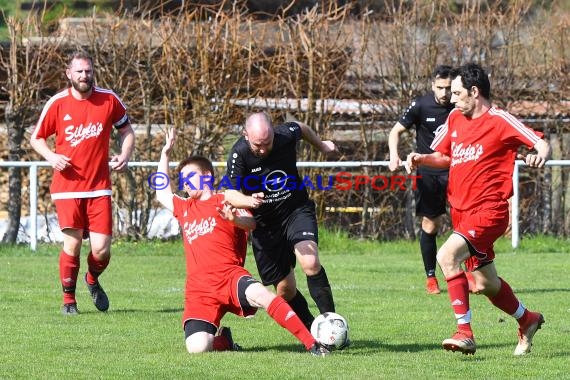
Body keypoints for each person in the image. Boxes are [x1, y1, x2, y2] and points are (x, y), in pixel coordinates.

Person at [406, 63, 549, 356]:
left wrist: (539, 156)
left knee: (446, 256)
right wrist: (421, 158)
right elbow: (445, 156)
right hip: (461, 212)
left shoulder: (500, 120)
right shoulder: (456, 119)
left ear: (475, 92)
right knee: (486, 283)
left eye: (457, 93)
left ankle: (465, 333)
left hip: (490, 211)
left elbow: (540, 144)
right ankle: (527, 318)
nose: (452, 98)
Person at [154, 128, 330, 356]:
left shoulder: (227, 199)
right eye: (183, 180)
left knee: (264, 296)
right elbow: (161, 193)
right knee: (197, 348)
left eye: (190, 177)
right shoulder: (185, 207)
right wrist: (165, 153)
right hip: (199, 290)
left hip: (229, 277)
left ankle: (312, 344)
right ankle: (224, 342)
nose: (185, 183)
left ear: (207, 176)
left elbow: (251, 223)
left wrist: (234, 218)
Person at [30, 51, 135, 315]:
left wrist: (124, 154)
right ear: (69, 74)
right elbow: (37, 138)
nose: (84, 76)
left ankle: (91, 279)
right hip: (67, 188)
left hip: (99, 186)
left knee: (101, 250)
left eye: (87, 71)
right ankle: (68, 301)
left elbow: (126, 130)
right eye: (79, 71)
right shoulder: (57, 103)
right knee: (73, 244)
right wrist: (52, 156)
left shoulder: (109, 99)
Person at [224, 112, 337, 331]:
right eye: (258, 145)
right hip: (265, 225)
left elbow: (301, 128)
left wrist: (321, 145)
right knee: (285, 291)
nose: (264, 149)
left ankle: (332, 324)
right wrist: (247, 200)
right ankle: (313, 329)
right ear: (245, 135)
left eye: (268, 143)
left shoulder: (284, 135)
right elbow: (229, 192)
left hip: (295, 210)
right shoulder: (239, 153)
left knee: (310, 262)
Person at [388, 65, 454, 294]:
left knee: (466, 224)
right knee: (430, 224)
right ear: (432, 85)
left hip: (458, 171)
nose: (445, 93)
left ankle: (472, 275)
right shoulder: (421, 105)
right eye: (440, 88)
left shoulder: (460, 105)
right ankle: (431, 277)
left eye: (448, 88)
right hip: (429, 173)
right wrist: (394, 155)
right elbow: (395, 131)